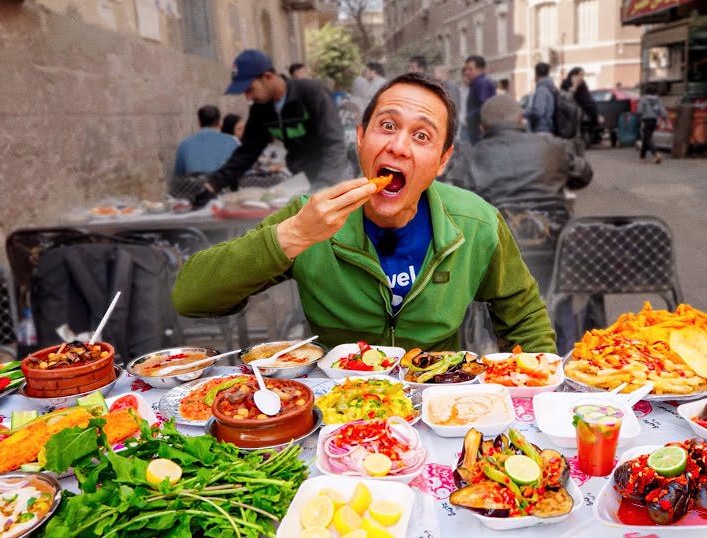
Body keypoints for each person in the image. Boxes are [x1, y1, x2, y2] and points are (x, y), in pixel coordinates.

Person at [172, 73, 556, 353]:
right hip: (338, 404)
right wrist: (294, 236)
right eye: (387, 125)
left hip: (437, 403)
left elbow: (526, 322)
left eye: (422, 136)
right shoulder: (308, 216)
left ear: (443, 161)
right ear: (360, 138)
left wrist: (537, 397)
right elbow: (191, 297)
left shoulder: (477, 223)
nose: (399, 147)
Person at [192, 49, 350, 207]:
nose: (248, 97)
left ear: (267, 77)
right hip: (303, 179)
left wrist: (324, 185)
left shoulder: (312, 94)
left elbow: (334, 143)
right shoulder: (260, 110)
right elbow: (246, 152)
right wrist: (213, 185)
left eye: (249, 89)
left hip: (334, 178)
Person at [453, 94, 588, 243]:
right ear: (522, 120)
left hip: (496, 250)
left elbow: (459, 206)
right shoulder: (552, 147)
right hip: (557, 247)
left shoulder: (468, 159)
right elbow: (584, 175)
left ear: (482, 128)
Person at [173, 105, 240, 177]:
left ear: (199, 123)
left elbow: (179, 175)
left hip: (195, 183)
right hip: (224, 182)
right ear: (220, 123)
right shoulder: (233, 142)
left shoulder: (184, 145)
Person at [462, 55, 496, 144]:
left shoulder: (482, 83)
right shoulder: (476, 84)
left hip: (479, 129)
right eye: (466, 69)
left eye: (470, 69)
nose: (466, 72)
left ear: (480, 69)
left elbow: (485, 105)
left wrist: (481, 122)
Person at [563, 67, 601, 145]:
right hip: (569, 113)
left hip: (581, 111)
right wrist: (575, 86)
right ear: (573, 75)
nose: (581, 77)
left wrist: (597, 114)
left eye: (583, 75)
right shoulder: (565, 83)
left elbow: (588, 98)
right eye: (580, 75)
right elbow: (567, 98)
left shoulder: (583, 84)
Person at [639, 81, 668, 163]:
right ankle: (642, 157)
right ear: (655, 92)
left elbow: (640, 110)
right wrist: (665, 118)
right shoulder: (658, 99)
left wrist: (640, 116)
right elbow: (662, 110)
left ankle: (656, 154)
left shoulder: (643, 99)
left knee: (647, 138)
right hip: (654, 121)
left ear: (646, 92)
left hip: (646, 121)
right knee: (646, 138)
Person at [525, 62, 557, 135]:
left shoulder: (541, 89)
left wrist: (524, 113)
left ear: (536, 74)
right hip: (548, 128)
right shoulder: (550, 87)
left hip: (541, 129)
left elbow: (538, 112)